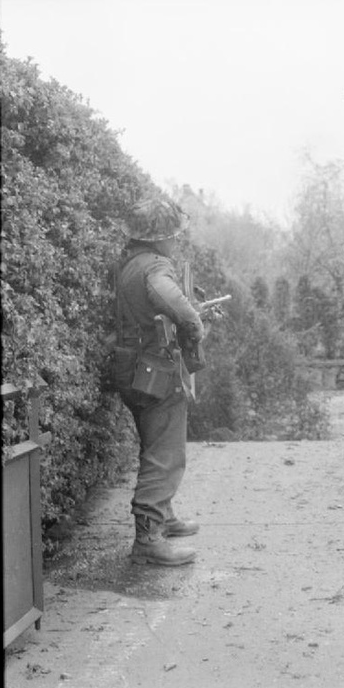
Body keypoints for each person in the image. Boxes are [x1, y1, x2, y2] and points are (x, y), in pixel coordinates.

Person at [113, 197, 205, 566]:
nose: (176, 240)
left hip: (131, 367)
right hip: (155, 371)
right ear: (160, 237)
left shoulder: (130, 263)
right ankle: (149, 539)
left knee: (155, 444)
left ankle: (163, 517)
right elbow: (174, 303)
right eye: (173, 235)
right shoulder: (155, 266)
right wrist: (194, 323)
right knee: (165, 454)